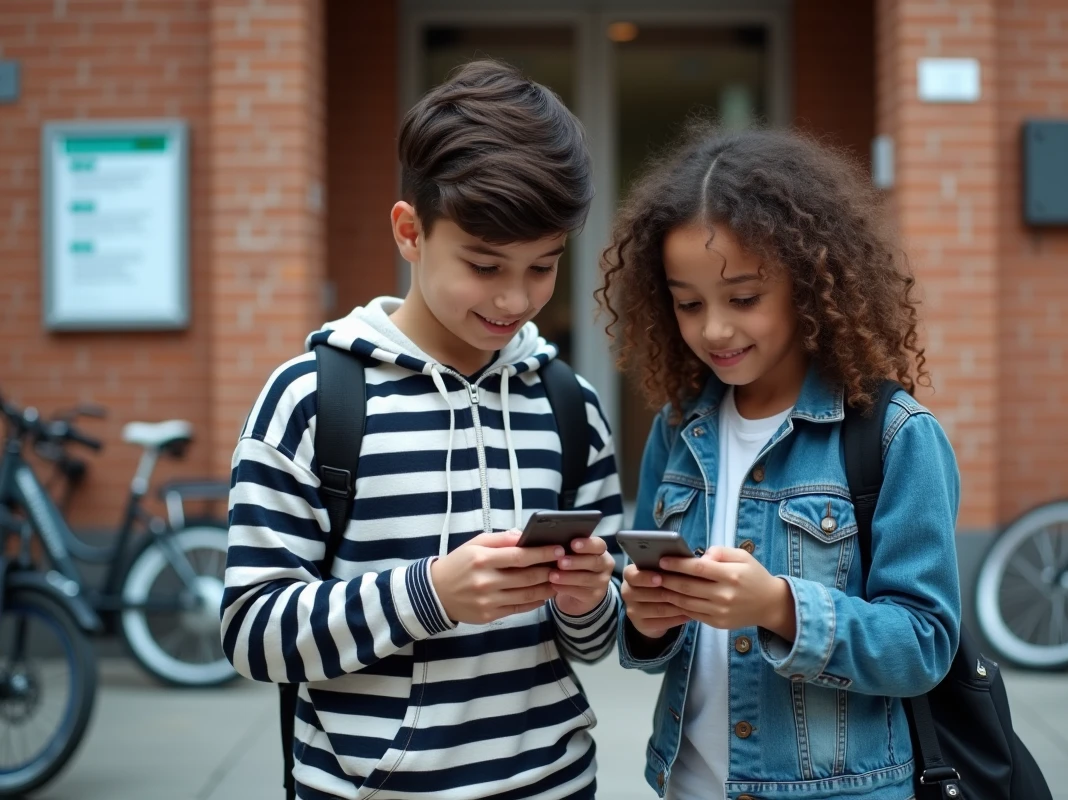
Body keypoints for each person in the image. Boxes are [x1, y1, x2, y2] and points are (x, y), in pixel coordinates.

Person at [221, 60, 623, 800]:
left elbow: (600, 642)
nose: (516, 299)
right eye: (484, 263)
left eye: (542, 267)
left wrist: (587, 599)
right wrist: (431, 593)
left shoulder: (570, 406)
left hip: (558, 785)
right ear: (410, 231)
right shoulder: (311, 399)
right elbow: (252, 633)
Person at [598, 125, 961, 800]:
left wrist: (779, 606)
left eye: (743, 298)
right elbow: (646, 641)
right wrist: (645, 621)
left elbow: (926, 642)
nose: (714, 329)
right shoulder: (677, 431)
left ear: (812, 280)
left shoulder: (893, 436)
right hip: (688, 784)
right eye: (688, 303)